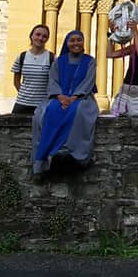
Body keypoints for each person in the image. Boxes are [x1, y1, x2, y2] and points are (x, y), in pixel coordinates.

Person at [32, 29, 99, 175]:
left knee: (79, 111)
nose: (76, 43)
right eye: (72, 40)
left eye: (79, 40)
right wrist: (60, 96)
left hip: (82, 97)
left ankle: (74, 153)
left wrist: (74, 97)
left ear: (83, 42)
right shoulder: (59, 62)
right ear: (67, 43)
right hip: (59, 97)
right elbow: (53, 80)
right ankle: (50, 153)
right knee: (49, 111)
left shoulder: (90, 61)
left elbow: (89, 81)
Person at [10, 24, 54, 115]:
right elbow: (16, 81)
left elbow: (55, 82)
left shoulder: (51, 58)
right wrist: (25, 94)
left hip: (42, 104)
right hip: (22, 103)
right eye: (38, 34)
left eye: (44, 36)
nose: (40, 38)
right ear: (31, 36)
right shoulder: (22, 56)